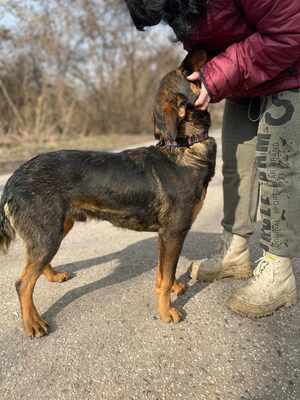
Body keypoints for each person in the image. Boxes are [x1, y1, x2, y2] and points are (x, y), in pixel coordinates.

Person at [124, 0, 300, 318]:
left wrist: (216, 75)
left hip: (291, 67)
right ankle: (234, 253)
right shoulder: (181, 9)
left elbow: (291, 27)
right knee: (236, 166)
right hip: (247, 79)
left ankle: (279, 269)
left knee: (278, 166)